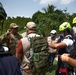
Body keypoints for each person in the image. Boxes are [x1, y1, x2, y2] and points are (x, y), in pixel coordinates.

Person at [0, 2, 22, 75]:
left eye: (17, 28)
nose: (16, 29)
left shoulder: (20, 36)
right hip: (10, 57)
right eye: (14, 28)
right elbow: (1, 41)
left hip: (18, 57)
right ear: (11, 29)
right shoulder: (8, 35)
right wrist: (6, 35)